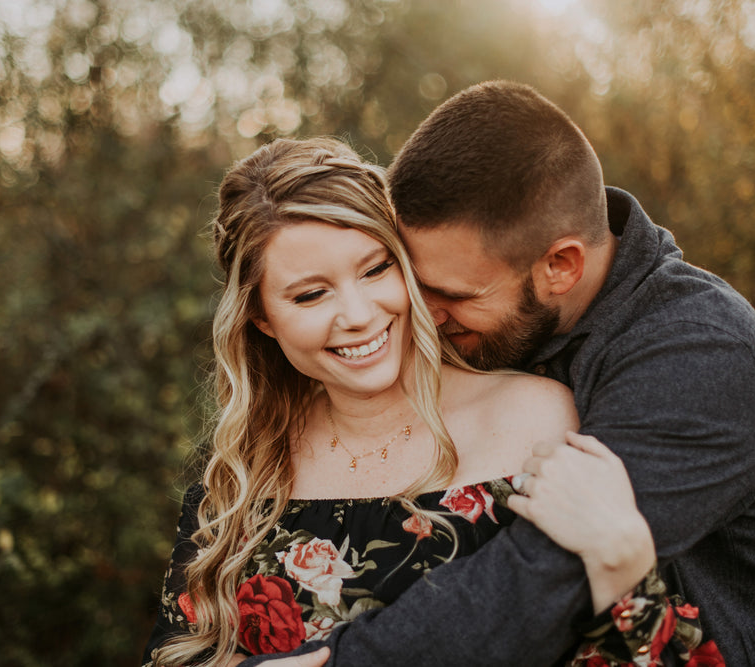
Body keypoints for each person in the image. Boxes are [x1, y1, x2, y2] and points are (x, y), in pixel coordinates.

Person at [235, 82, 755, 666]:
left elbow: (542, 580)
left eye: (452, 295)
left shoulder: (700, 355)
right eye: (415, 281)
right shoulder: (518, 308)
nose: (427, 315)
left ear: (560, 266)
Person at [142, 137, 718, 667]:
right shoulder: (242, 471)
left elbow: (620, 638)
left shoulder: (538, 418)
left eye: (376, 269)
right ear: (262, 318)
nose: (359, 315)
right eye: (312, 293)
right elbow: (175, 653)